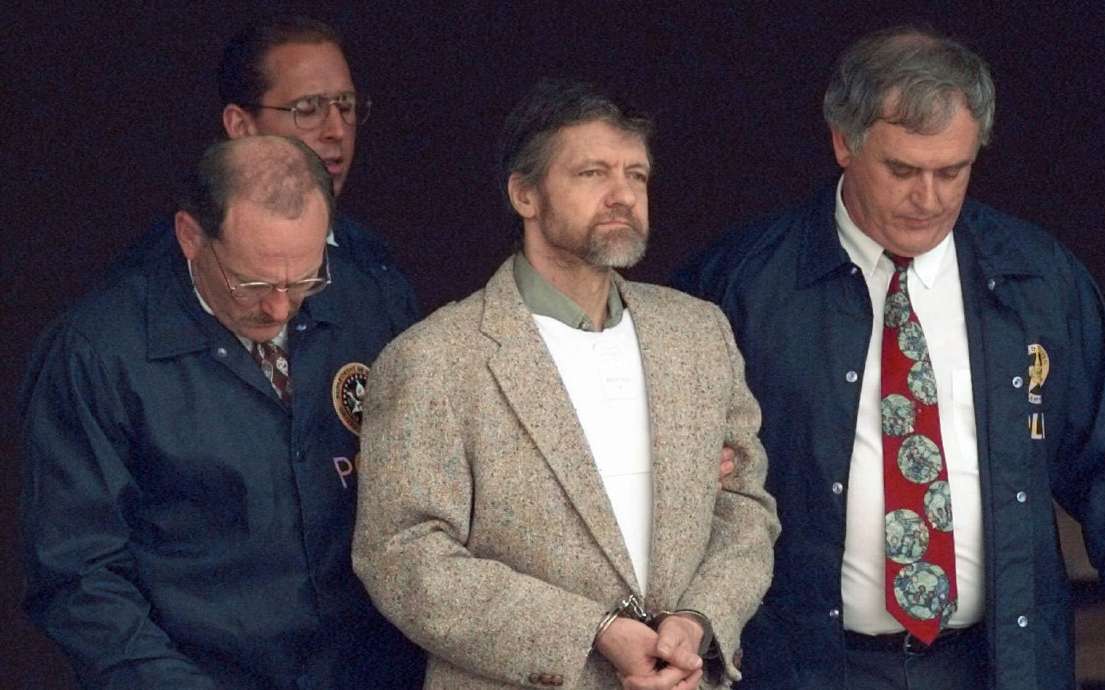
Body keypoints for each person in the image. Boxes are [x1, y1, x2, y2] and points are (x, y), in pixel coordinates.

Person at [674, 25, 1105, 690]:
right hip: (804, 666)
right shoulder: (740, 285)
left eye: (952, 172)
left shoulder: (1038, 279)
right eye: (902, 170)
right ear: (843, 142)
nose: (928, 199)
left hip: (1000, 664)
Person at [352, 78, 780, 690]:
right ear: (524, 194)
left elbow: (745, 508)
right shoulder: (434, 358)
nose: (622, 195)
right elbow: (402, 555)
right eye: (592, 173)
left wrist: (698, 622)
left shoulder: (699, 333)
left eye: (636, 175)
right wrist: (591, 631)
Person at [21, 135, 424, 689]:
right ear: (191, 236)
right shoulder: (99, 353)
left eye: (305, 280)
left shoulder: (373, 304)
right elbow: (78, 573)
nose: (279, 307)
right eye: (252, 283)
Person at [110, 14, 419, 329]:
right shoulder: (153, 278)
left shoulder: (371, 259)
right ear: (241, 125)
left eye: (346, 105)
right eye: (308, 109)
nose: (337, 130)